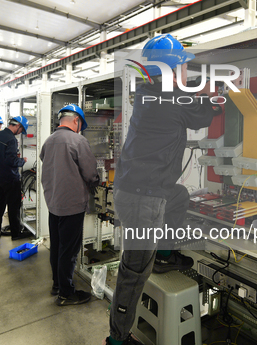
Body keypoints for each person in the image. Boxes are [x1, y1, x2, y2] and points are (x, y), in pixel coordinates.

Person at [105, 34, 221, 345]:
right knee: (134, 271)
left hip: (137, 188)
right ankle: (117, 338)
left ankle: (165, 254)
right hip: (144, 198)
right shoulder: (170, 98)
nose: (186, 73)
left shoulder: (148, 93)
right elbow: (204, 114)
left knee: (179, 196)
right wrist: (213, 95)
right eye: (182, 66)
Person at [40, 104, 100, 306]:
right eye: (81, 124)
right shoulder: (78, 140)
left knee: (57, 246)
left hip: (54, 202)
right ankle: (66, 293)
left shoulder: (49, 141)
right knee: (69, 251)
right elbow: (90, 173)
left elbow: (45, 161)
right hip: (72, 204)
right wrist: (95, 183)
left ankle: (57, 284)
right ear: (76, 120)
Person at [0, 116, 28, 241]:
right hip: (9, 178)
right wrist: (21, 160)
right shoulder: (11, 139)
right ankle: (16, 233)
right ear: (17, 126)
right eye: (21, 130)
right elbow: (11, 161)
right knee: (13, 206)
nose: (20, 132)